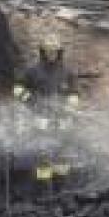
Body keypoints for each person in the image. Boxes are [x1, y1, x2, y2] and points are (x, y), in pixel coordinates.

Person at [13, 35, 81, 193]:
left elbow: (74, 92)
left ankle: (61, 191)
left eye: (54, 52)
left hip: (62, 122)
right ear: (42, 52)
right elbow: (17, 89)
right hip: (41, 121)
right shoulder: (32, 71)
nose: (52, 55)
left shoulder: (67, 72)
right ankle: (43, 193)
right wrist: (32, 100)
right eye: (48, 52)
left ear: (60, 52)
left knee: (62, 157)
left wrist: (70, 105)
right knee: (43, 156)